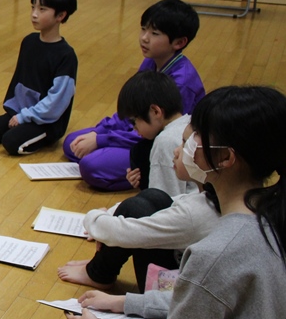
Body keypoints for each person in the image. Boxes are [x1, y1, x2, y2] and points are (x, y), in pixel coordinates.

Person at [47, 86, 286, 319]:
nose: (186, 143)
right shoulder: (270, 218)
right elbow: (205, 304)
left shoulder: (217, 251)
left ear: (225, 157)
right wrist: (125, 302)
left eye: (196, 136)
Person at [57, 122, 220, 291]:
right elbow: (176, 201)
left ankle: (98, 273)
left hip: (175, 296)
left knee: (136, 210)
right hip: (187, 280)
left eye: (185, 144)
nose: (176, 151)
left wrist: (94, 218)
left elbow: (127, 232)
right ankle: (98, 270)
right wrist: (110, 214)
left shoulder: (195, 214)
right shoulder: (208, 199)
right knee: (153, 197)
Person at [62, 0, 205, 191]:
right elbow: (132, 109)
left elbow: (160, 134)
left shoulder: (182, 82)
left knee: (90, 166)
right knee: (71, 142)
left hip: (155, 145)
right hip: (140, 131)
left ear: (179, 42)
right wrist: (99, 131)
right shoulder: (152, 61)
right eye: (143, 29)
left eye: (154, 33)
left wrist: (102, 140)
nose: (144, 38)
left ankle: (144, 175)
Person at [0, 0, 78, 155]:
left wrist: (25, 117)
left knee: (11, 143)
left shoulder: (66, 55)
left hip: (47, 121)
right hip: (20, 113)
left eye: (42, 9)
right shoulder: (29, 41)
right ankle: (21, 127)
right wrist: (18, 114)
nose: (34, 14)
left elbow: (56, 101)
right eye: (33, 7)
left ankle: (41, 136)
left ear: (61, 15)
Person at [115, 71, 194, 197]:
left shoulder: (165, 141)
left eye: (134, 121)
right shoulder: (191, 123)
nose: (134, 128)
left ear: (155, 112)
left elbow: (163, 202)